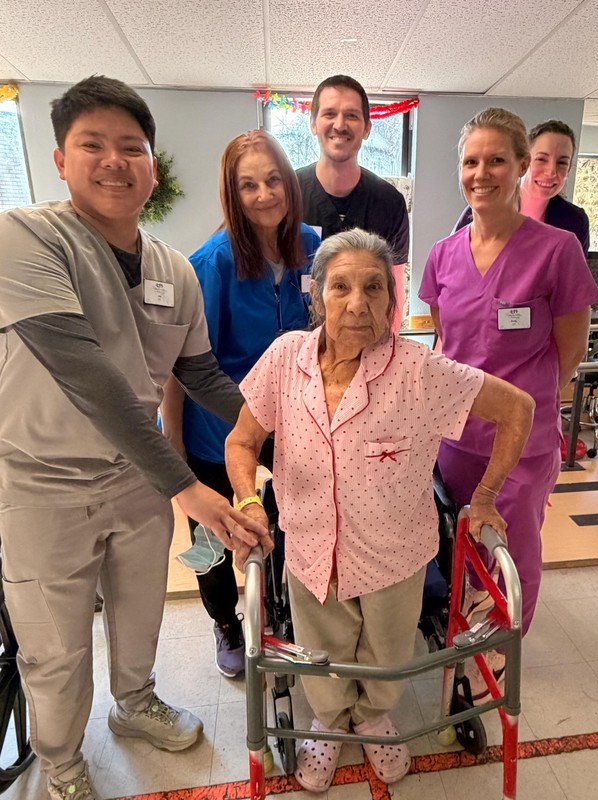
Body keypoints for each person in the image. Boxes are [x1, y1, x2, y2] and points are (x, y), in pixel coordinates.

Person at [0, 76, 266, 800]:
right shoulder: (25, 238)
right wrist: (192, 489)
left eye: (132, 147)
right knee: (54, 648)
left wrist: (274, 432)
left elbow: (202, 373)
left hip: (135, 480)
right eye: (93, 144)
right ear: (60, 159)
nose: (114, 161)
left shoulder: (174, 271)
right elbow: (93, 383)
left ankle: (135, 702)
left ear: (154, 164)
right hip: (41, 483)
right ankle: (59, 764)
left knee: (140, 606)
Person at [225, 228, 535, 792]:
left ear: (392, 303)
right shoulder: (284, 357)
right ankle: (327, 723)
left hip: (396, 554)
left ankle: (373, 719)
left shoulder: (419, 370)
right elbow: (241, 442)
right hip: (312, 547)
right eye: (340, 287)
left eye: (374, 287)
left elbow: (519, 409)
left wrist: (485, 498)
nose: (357, 303)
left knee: (387, 653)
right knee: (319, 655)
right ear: (315, 296)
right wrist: (249, 502)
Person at [420, 108, 598, 700]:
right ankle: (463, 629)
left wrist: (524, 402)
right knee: (460, 538)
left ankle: (498, 647)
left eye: (497, 160)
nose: (482, 173)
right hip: (457, 438)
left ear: (522, 167)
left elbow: (569, 351)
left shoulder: (558, 250)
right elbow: (447, 342)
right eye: (471, 161)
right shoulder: (445, 255)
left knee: (512, 545)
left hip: (523, 440)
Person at [160, 130, 320, 678]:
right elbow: (183, 366)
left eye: (273, 179)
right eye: (247, 184)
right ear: (232, 192)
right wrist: (175, 445)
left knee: (283, 520)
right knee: (214, 532)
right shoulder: (214, 262)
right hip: (219, 431)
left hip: (292, 425)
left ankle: (282, 607)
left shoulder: (311, 247)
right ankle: (226, 621)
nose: (264, 194)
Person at [296, 74, 410, 330]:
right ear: (313, 123)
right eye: (329, 114)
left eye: (351, 115)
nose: (340, 124)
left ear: (367, 128)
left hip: (366, 342)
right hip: (299, 344)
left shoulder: (389, 202)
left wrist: (387, 352)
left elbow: (395, 286)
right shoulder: (288, 194)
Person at [453, 119, 590, 254]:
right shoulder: (481, 210)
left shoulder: (574, 221)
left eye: (562, 163)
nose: (551, 172)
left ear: (570, 167)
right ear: (524, 163)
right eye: (541, 159)